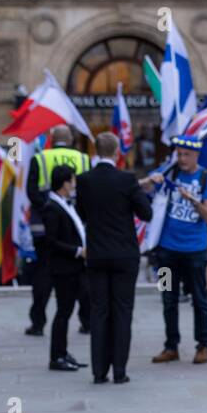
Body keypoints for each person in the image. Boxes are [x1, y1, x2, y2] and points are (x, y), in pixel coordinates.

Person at [75, 131, 155, 385]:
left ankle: (99, 372)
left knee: (99, 311)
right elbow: (147, 213)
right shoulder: (127, 179)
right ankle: (119, 371)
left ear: (95, 152)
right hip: (124, 255)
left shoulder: (84, 180)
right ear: (118, 152)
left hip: (97, 254)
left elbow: (81, 213)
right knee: (122, 311)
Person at [151, 135, 207, 366]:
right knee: (167, 298)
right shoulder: (169, 171)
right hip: (165, 251)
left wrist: (192, 200)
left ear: (196, 155)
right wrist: (153, 180)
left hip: (195, 251)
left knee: (200, 299)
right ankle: (171, 346)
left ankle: (203, 345)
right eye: (179, 154)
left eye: (186, 155)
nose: (181, 158)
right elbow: (145, 185)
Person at [25, 125, 90, 337]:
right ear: (71, 139)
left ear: (51, 139)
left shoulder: (40, 157)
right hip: (75, 225)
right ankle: (86, 321)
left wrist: (49, 209)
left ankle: (38, 323)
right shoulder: (83, 158)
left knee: (43, 275)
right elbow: (88, 190)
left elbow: (31, 191)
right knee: (80, 275)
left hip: (43, 227)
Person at [39, 165, 88, 373]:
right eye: (73, 181)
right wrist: (78, 251)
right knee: (63, 313)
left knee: (67, 312)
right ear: (65, 183)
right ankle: (56, 357)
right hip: (64, 269)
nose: (75, 185)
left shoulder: (65, 204)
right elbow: (51, 242)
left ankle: (63, 352)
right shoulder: (52, 207)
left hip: (74, 268)